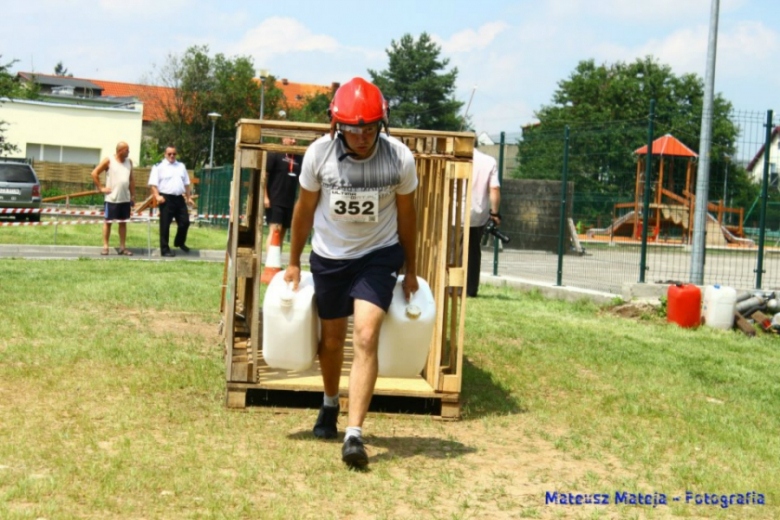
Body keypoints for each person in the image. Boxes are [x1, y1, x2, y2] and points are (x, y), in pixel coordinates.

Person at [284, 77, 419, 468]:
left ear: (383, 123)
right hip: (330, 256)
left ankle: (354, 434)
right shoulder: (318, 156)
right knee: (331, 341)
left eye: (370, 128)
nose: (362, 137)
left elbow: (408, 215)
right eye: (353, 129)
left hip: (378, 255)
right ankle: (329, 402)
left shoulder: (399, 159)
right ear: (337, 125)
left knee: (365, 334)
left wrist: (410, 268)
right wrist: (293, 261)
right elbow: (304, 211)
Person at [466, 145, 501, 297]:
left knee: (454, 253)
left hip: (454, 214)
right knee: (473, 251)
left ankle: (453, 287)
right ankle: (471, 289)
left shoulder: (454, 158)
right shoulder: (489, 161)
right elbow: (494, 189)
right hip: (478, 215)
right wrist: (495, 213)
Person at [91, 141, 136, 256]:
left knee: (123, 223)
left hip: (124, 199)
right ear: (120, 151)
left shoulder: (129, 162)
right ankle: (105, 247)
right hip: (112, 199)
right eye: (127, 150)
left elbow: (131, 180)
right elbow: (94, 173)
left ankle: (122, 247)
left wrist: (133, 195)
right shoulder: (109, 160)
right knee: (108, 222)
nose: (129, 152)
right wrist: (101, 188)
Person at [148, 146, 193, 257]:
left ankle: (179, 242)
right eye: (169, 154)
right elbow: (153, 185)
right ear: (165, 154)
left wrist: (189, 197)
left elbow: (187, 183)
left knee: (185, 222)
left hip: (179, 198)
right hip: (166, 198)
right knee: (165, 225)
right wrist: (157, 196)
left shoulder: (181, 166)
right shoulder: (159, 166)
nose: (172, 156)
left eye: (174, 154)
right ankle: (165, 249)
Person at [264, 137, 301, 256]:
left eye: (296, 139)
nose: (294, 141)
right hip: (275, 199)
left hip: (289, 201)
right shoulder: (275, 154)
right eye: (291, 138)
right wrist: (265, 197)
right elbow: (264, 176)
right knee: (275, 230)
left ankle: (276, 261)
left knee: (283, 231)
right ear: (283, 139)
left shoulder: (299, 157)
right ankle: (270, 262)